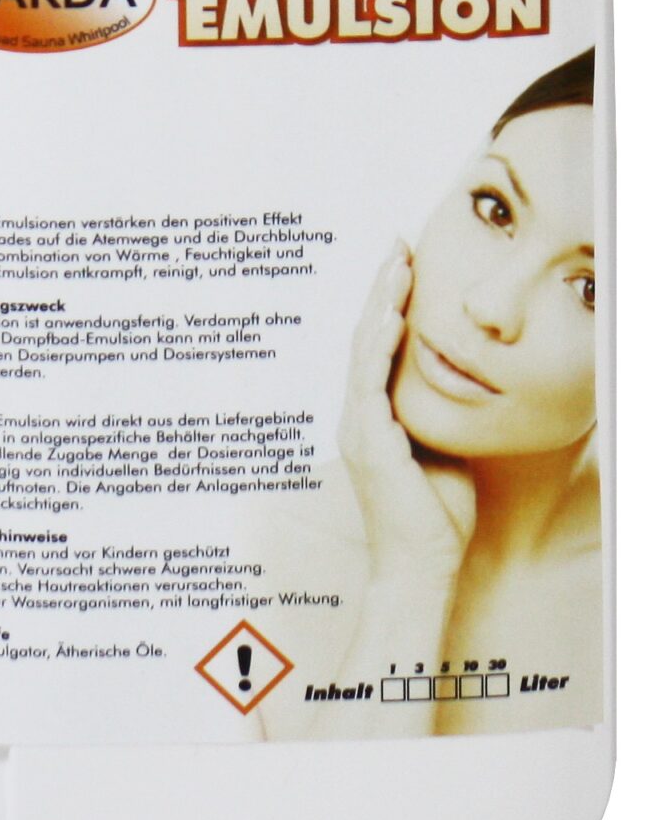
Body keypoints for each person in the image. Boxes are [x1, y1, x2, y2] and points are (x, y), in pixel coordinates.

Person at [256, 52, 602, 736]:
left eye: (591, 289)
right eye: (495, 209)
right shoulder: (242, 550)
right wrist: (410, 577)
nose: (490, 306)